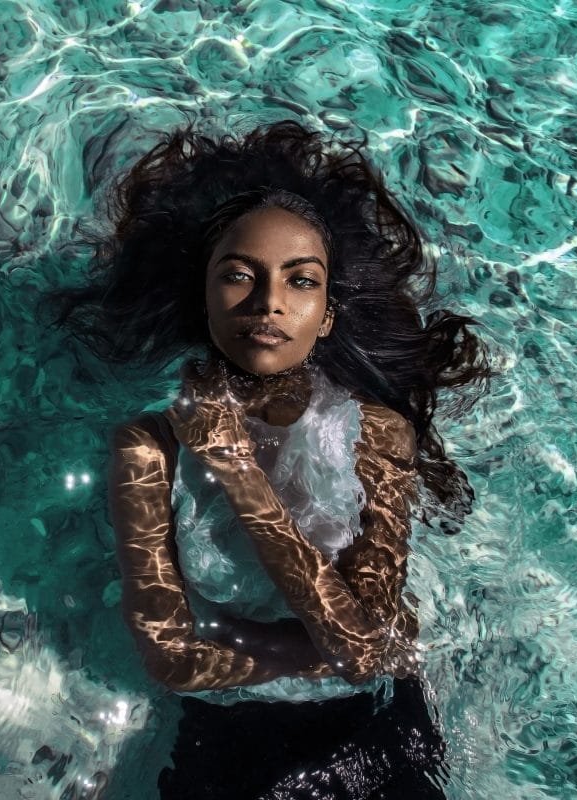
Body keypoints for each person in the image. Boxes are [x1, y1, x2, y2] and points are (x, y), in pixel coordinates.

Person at [46, 119, 494, 798]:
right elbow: (170, 660)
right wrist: (334, 649)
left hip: (376, 730)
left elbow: (369, 651)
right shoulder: (147, 447)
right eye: (237, 276)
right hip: (230, 744)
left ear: (329, 315)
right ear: (203, 295)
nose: (268, 303)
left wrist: (240, 476)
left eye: (300, 281)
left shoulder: (376, 436)